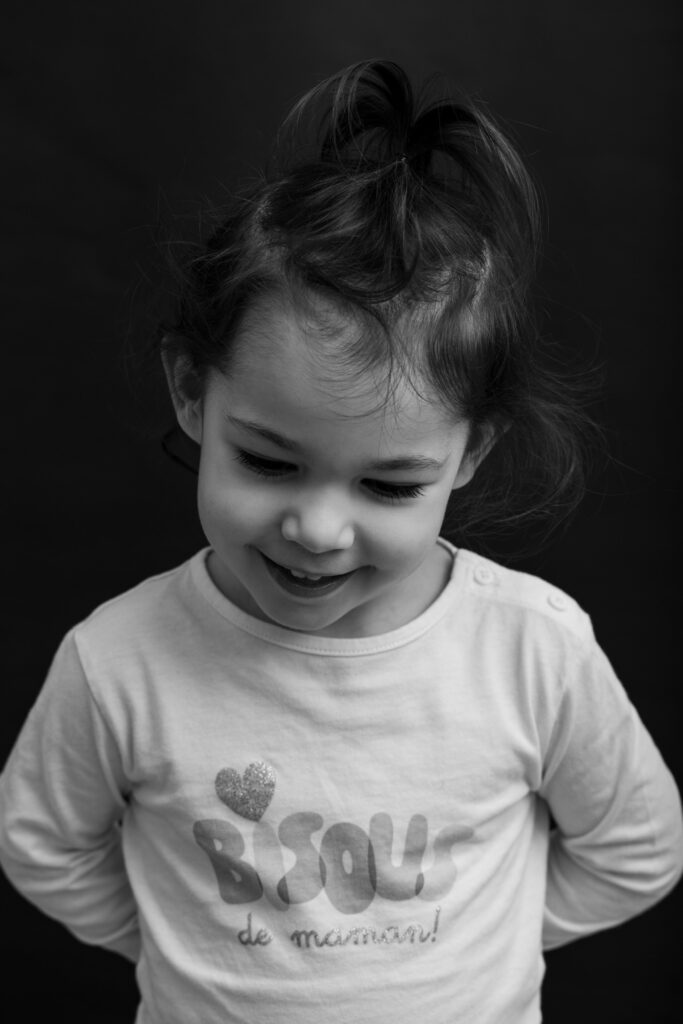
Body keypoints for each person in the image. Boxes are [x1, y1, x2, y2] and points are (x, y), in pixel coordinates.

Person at [0, 60, 680, 1024]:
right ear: (194, 393)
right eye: (270, 463)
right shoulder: (117, 662)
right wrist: (176, 939)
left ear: (468, 454)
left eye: (389, 484)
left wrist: (479, 941)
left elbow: (635, 847)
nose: (317, 529)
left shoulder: (533, 647)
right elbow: (40, 842)